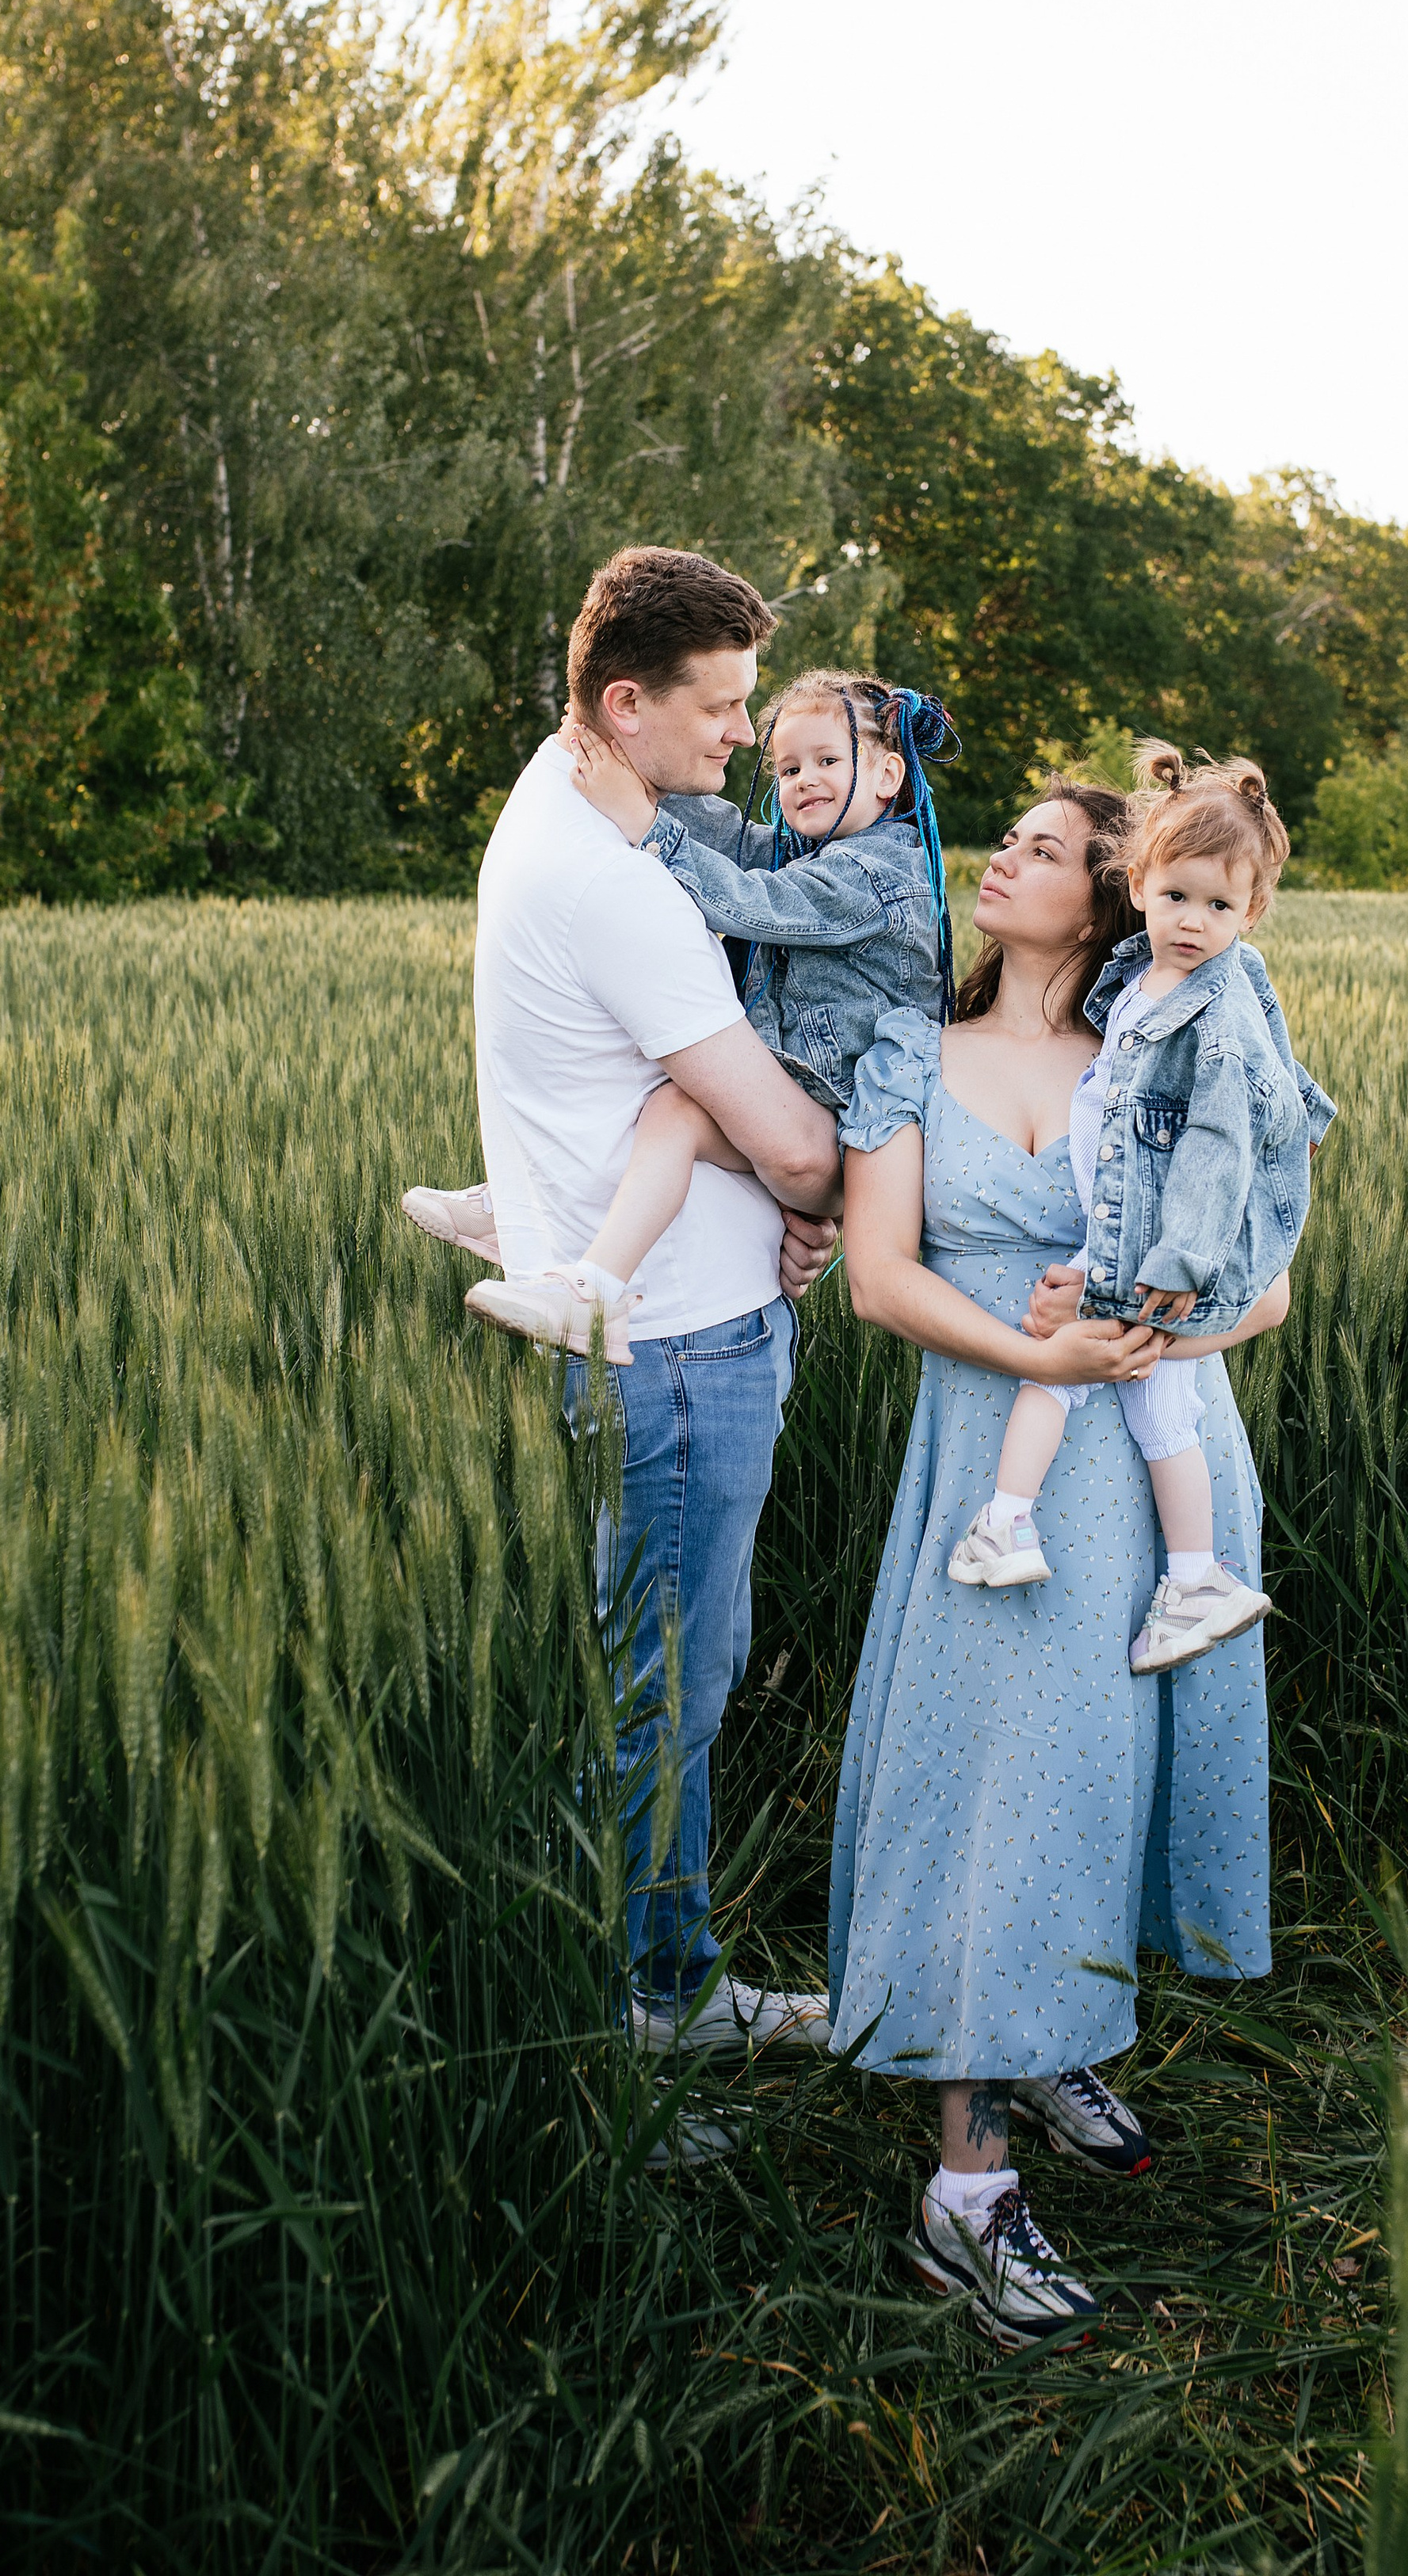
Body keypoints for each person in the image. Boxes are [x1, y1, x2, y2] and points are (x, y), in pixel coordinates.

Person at [831, 779, 1297, 2348]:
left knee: (1094, 1782)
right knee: (986, 1792)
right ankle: (964, 2195)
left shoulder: (1177, 1037)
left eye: (1039, 848)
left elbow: (1268, 1285)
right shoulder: (910, 1049)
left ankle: (1045, 2043)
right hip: (996, 1472)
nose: (1000, 858)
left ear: (1105, 893)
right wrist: (1045, 1349)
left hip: (1157, 1471)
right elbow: (877, 1280)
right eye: (1007, 838)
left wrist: (1144, 1324)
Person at [418, 545, 844, 2077]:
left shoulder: (554, 807)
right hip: (679, 1349)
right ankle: (655, 2011)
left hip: (671, 1325)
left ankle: (662, 1974)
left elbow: (671, 1104)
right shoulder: (613, 890)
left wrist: (762, 1176)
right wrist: (809, 1186)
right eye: (720, 706)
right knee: (667, 1696)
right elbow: (801, 1144)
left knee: (671, 1680)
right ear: (623, 702)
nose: (742, 733)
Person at [949, 749, 1327, 1682]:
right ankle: (1192, 1577)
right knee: (1163, 1413)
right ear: (1138, 887)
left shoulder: (1212, 1008)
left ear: (1252, 911)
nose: (1193, 921)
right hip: (1126, 1225)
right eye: (1176, 897)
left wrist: (1181, 1260)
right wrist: (1303, 1115)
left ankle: (1006, 1520)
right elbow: (1279, 1081)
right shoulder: (1136, 975)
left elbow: (1220, 1144)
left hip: (1150, 1240)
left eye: (1219, 906)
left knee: (1063, 1367)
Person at [461, 669, 960, 1362]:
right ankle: (527, 1206)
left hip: (847, 1100)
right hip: (809, 1083)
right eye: (789, 769)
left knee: (676, 1112)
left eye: (827, 760)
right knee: (664, 1095)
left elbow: (755, 903)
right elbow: (734, 837)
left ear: (887, 775)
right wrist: (634, 768)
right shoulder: (819, 850)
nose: (804, 781)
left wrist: (647, 828)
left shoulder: (876, 876)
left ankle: (594, 1290)